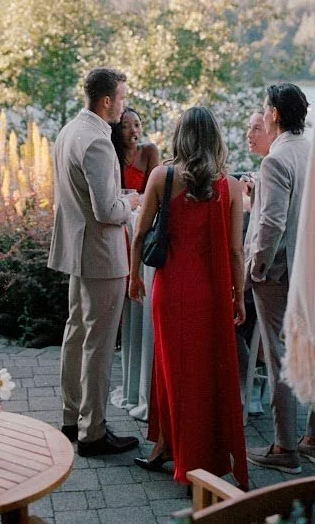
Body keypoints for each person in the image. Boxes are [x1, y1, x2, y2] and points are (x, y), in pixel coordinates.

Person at [129, 106, 249, 489]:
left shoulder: (161, 177)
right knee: (203, 375)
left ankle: (175, 450)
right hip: (211, 293)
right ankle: (178, 449)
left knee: (169, 371)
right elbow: (235, 251)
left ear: (180, 136)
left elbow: (140, 233)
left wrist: (134, 277)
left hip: (170, 288)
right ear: (215, 138)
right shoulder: (228, 185)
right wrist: (239, 297)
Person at [48, 67, 140, 456]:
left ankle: (72, 418)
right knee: (99, 345)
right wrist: (131, 202)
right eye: (122, 97)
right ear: (106, 100)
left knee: (76, 335)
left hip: (75, 248)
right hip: (101, 255)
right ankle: (94, 432)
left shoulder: (70, 131)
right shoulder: (99, 142)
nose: (124, 103)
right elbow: (106, 210)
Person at [244, 84, 315, 473]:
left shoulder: (275, 161)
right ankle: (314, 437)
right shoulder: (314, 151)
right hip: (314, 266)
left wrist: (256, 267)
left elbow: (272, 223)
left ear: (275, 113)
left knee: (280, 358)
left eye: (265, 108)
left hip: (280, 273)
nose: (261, 115)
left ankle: (284, 448)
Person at [110, 109, 160, 419]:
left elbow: (155, 192)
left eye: (137, 125)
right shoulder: (112, 156)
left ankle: (138, 376)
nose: (133, 131)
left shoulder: (150, 151)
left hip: (141, 224)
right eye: (126, 126)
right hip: (121, 227)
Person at [236, 110, 272, 416]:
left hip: (267, 268)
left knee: (236, 309)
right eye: (248, 128)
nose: (250, 134)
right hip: (265, 267)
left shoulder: (275, 165)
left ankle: (253, 382)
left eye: (256, 128)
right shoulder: (266, 170)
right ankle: (251, 381)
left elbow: (267, 227)